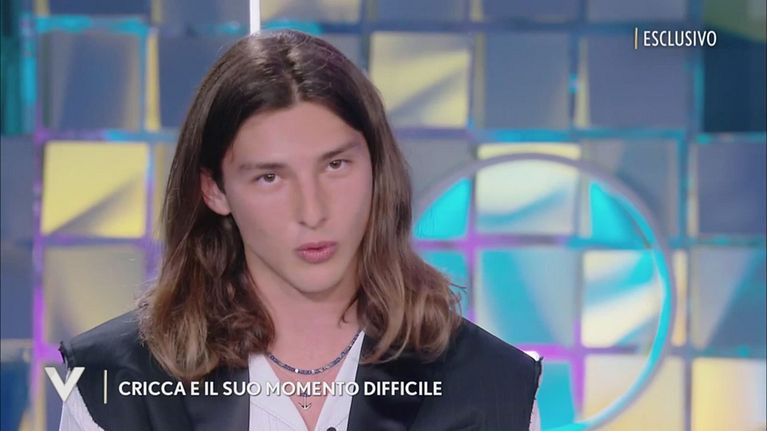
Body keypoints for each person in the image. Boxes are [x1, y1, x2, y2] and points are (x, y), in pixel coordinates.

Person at [57, 29, 542, 431]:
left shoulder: (492, 389)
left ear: (377, 168)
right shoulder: (115, 388)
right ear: (215, 190)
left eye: (335, 165)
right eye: (270, 177)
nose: (312, 211)